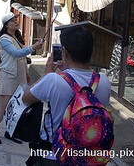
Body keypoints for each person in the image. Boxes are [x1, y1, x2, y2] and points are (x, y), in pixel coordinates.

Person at [22, 25, 111, 165]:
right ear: (92, 51)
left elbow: (26, 98)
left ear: (64, 52)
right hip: (88, 157)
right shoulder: (104, 81)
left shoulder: (53, 80)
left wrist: (46, 74)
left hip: (54, 155)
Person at [0, 13, 43, 144]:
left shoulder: (15, 37)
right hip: (9, 77)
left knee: (17, 106)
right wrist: (33, 47)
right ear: (7, 24)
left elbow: (22, 55)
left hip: (19, 76)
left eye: (16, 19)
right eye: (13, 20)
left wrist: (34, 48)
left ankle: (10, 131)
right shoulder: (4, 39)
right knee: (4, 106)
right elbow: (17, 53)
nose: (16, 22)